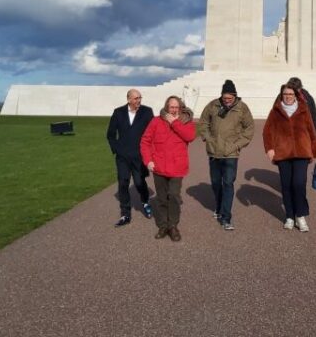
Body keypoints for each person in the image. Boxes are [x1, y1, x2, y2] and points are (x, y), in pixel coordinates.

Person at [263, 84, 316, 232]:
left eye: (290, 94)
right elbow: (267, 132)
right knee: (286, 185)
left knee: (299, 184)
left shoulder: (303, 110)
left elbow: (312, 132)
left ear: (295, 96)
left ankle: (300, 216)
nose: (288, 96)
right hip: (283, 154)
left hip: (302, 152)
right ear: (281, 95)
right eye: (285, 94)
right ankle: (290, 216)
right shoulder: (276, 111)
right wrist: (270, 150)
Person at [198, 79, 254, 230]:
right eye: (225, 98)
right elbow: (203, 123)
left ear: (235, 96)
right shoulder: (212, 105)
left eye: (230, 98)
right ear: (221, 96)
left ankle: (226, 217)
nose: (227, 101)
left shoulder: (242, 108)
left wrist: (237, 145)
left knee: (228, 183)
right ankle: (218, 206)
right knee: (216, 183)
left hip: (231, 154)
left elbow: (249, 129)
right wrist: (207, 139)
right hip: (214, 151)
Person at [140, 95, 196, 242]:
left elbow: (190, 136)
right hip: (159, 166)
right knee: (162, 198)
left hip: (177, 167)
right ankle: (163, 225)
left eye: (176, 107)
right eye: (171, 107)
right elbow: (145, 141)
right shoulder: (156, 121)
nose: (174, 110)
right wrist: (148, 161)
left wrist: (175, 123)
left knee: (174, 196)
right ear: (167, 107)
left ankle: (173, 226)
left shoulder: (186, 121)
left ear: (181, 107)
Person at [106, 89, 154, 227]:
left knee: (139, 183)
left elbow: (152, 133)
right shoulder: (118, 112)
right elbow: (110, 134)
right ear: (128, 99)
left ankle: (145, 202)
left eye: (140, 98)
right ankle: (125, 214)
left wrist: (150, 153)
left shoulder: (147, 112)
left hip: (139, 156)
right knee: (123, 183)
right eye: (135, 98)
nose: (138, 100)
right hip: (123, 157)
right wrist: (117, 149)